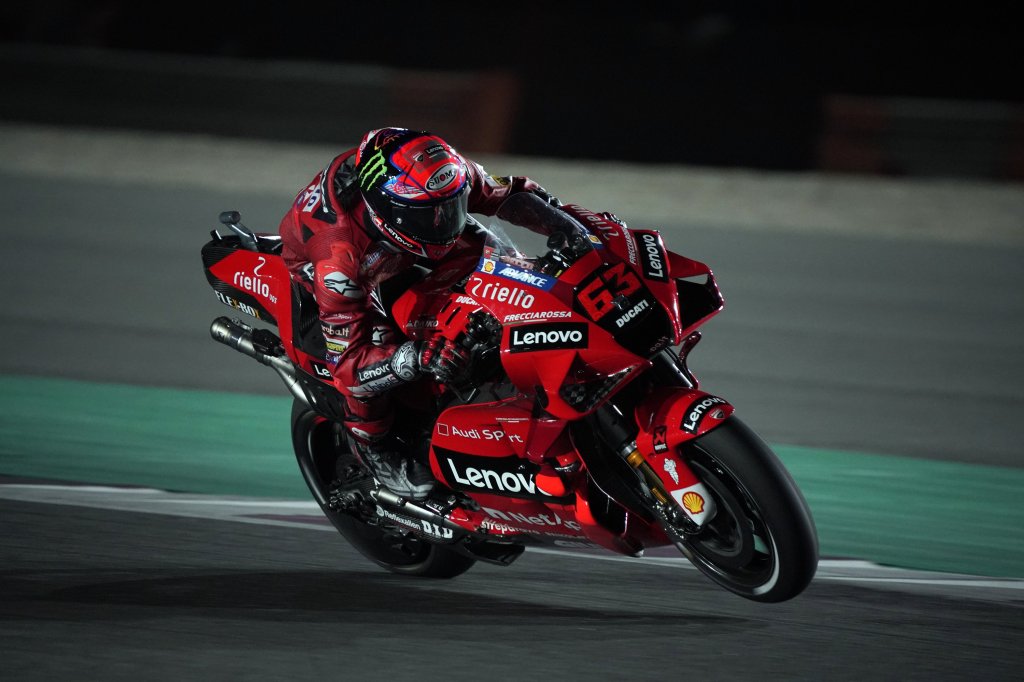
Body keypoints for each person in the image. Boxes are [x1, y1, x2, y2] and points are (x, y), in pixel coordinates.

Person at [278, 127, 559, 501]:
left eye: (452, 206)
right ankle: (373, 448)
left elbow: (514, 193)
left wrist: (569, 227)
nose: (444, 220)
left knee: (512, 266)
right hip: (349, 272)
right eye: (431, 214)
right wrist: (414, 357)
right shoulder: (338, 261)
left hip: (399, 236)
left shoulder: (443, 175)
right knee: (373, 358)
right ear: (389, 211)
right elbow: (350, 365)